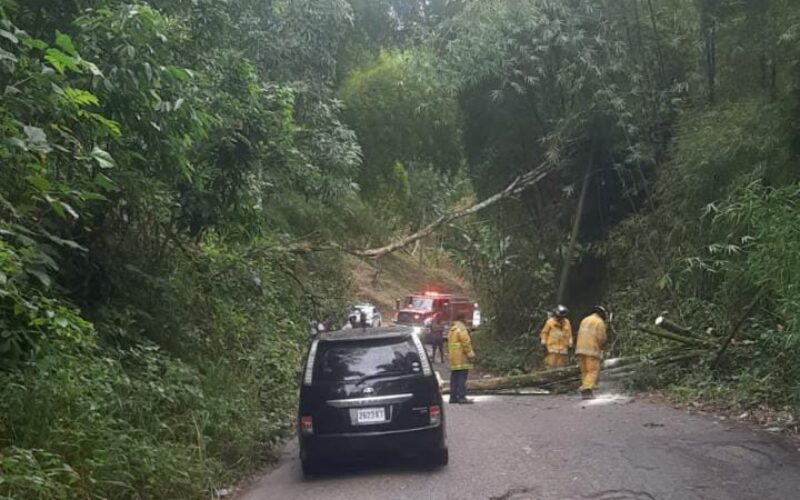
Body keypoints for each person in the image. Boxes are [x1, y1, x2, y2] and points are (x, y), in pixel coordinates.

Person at [575, 305, 609, 399]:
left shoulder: (585, 320)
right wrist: (601, 348)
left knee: (584, 371)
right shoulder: (599, 322)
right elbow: (601, 338)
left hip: (580, 349)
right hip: (591, 350)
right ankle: (586, 390)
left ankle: (586, 389)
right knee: (593, 371)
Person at [447, 315, 476, 404]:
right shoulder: (462, 329)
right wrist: (471, 354)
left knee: (454, 377)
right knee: (462, 377)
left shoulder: (452, 329)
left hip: (453, 357)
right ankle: (461, 397)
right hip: (461, 357)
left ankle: (453, 397)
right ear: (463, 319)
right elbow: (466, 343)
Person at [540, 305, 573, 369]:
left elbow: (569, 334)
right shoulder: (550, 322)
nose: (560, 319)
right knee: (550, 367)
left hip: (563, 350)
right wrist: (543, 340)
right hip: (552, 349)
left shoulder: (567, 323)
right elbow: (544, 333)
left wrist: (570, 341)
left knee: (560, 368)